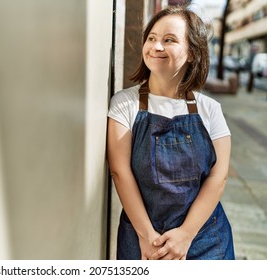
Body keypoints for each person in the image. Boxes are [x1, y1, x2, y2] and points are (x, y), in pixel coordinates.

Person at [107, 4, 235, 260]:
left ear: (192, 53)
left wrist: (186, 235)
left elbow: (217, 178)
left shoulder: (210, 109)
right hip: (142, 238)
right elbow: (120, 172)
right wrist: (147, 237)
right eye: (152, 38)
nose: (156, 47)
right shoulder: (124, 103)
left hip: (204, 239)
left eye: (169, 40)